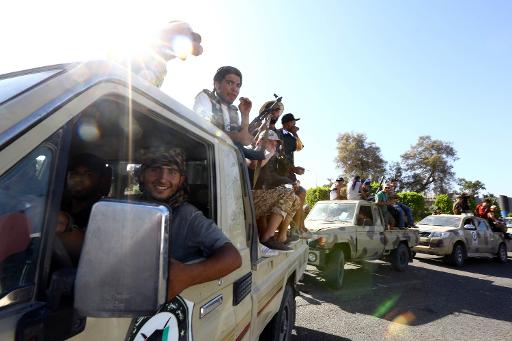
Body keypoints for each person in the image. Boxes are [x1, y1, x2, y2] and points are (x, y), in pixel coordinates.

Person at [138, 147, 241, 299]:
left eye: (172, 171)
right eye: (154, 169)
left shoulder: (187, 215)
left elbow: (233, 258)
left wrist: (187, 275)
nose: (162, 178)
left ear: (181, 179)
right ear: (142, 175)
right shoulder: (128, 208)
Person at [193, 66, 263, 160]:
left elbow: (243, 140)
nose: (235, 89)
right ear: (217, 84)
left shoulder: (233, 111)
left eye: (238, 85)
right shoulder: (205, 97)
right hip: (207, 161)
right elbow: (202, 129)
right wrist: (237, 137)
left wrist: (245, 115)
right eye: (230, 83)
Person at [248, 131, 300, 252]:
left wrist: (290, 182)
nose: (275, 146)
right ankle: (267, 238)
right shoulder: (253, 151)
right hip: (247, 200)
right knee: (287, 193)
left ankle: (281, 237)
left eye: (276, 144)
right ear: (262, 141)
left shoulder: (265, 155)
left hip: (255, 199)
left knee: (296, 200)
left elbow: (270, 178)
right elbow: (254, 165)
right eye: (272, 142)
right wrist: (269, 153)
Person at [57, 153, 111, 264]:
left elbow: (97, 257)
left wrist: (67, 226)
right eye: (74, 173)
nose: (78, 179)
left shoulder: (104, 213)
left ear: (100, 180)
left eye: (88, 174)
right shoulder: (57, 205)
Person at [123, 21, 203, 87]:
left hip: (152, 61)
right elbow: (195, 50)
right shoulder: (185, 28)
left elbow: (185, 56)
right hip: (145, 58)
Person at [276, 113, 305, 181]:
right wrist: (292, 168)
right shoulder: (277, 133)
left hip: (289, 173)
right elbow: (278, 154)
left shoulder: (290, 136)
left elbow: (300, 147)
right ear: (289, 123)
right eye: (294, 123)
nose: (295, 125)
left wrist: (295, 133)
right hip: (278, 173)